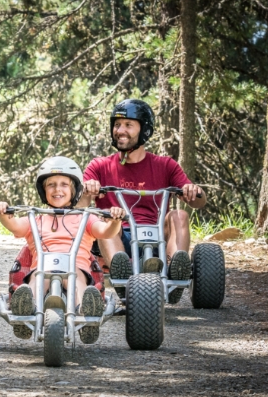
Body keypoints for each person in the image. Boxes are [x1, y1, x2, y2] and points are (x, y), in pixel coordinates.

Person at [79, 99, 206, 302]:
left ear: (144, 129)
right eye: (117, 124)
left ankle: (175, 270)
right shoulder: (99, 165)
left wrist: (192, 191)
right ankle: (122, 274)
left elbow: (198, 202)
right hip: (119, 236)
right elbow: (80, 207)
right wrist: (88, 190)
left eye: (128, 125)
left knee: (179, 214)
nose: (120, 130)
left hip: (158, 236)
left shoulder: (165, 165)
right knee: (102, 217)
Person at [0, 156, 125, 344]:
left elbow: (105, 232)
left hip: (76, 269)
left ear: (74, 189)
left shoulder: (85, 217)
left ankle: (86, 314)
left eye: (64, 184)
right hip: (42, 269)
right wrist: (3, 213)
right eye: (51, 185)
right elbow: (15, 226)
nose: (57, 189)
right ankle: (25, 309)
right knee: (39, 279)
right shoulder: (36, 218)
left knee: (76, 278)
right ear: (43, 190)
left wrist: (115, 221)